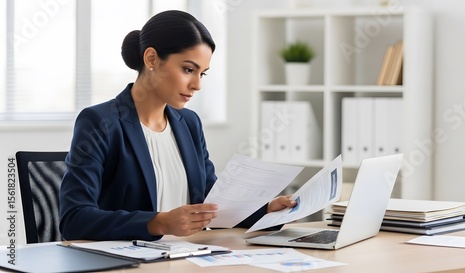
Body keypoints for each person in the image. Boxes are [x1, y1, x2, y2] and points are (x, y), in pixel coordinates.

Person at [59, 10, 296, 241]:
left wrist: (265, 210)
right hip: (132, 262)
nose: (196, 85)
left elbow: (212, 201)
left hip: (193, 257)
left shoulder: (189, 123)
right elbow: (74, 219)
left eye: (202, 74)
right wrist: (158, 222)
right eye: (188, 69)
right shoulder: (100, 122)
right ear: (151, 59)